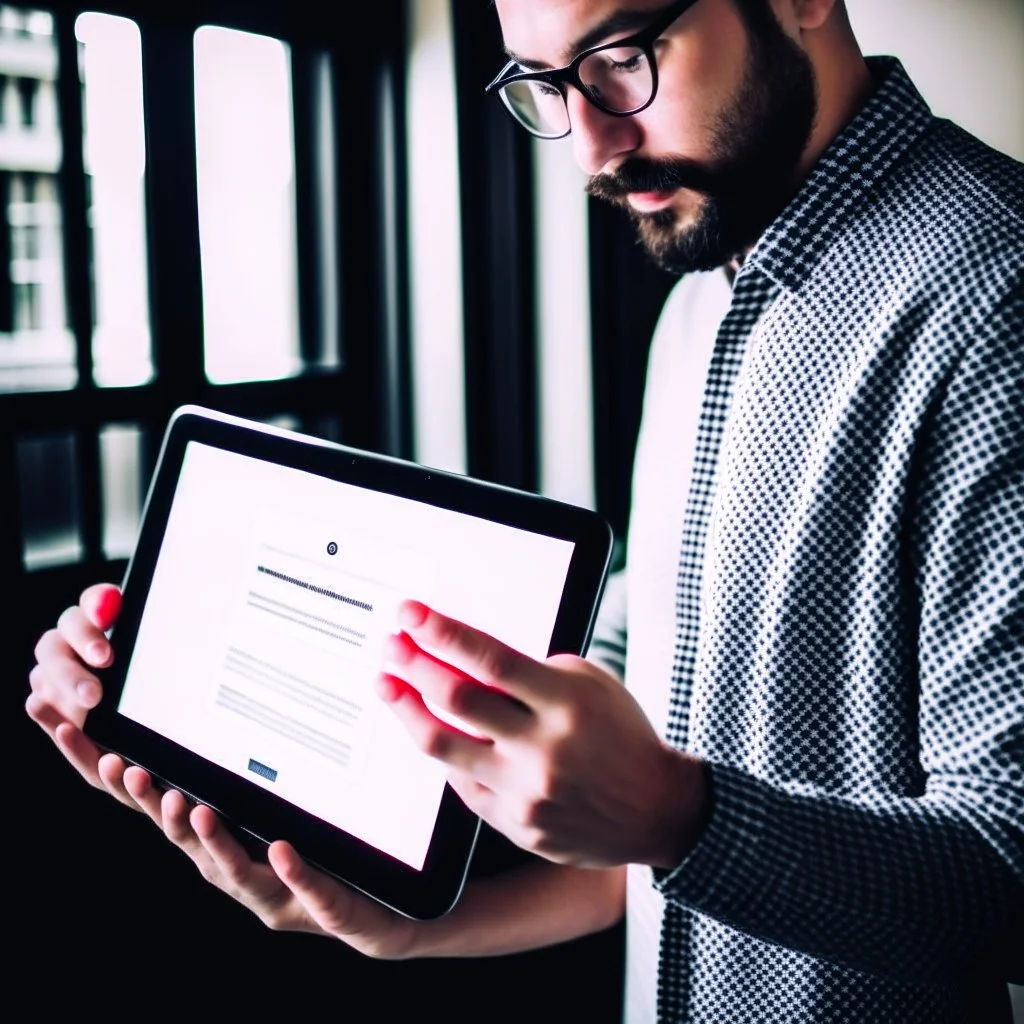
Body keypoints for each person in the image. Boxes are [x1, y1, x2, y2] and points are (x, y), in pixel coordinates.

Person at [26, 1, 1023, 1021]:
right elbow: (651, 814)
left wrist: (681, 816)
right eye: (544, 84)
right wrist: (413, 924)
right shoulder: (701, 300)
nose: (590, 144)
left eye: (623, 57)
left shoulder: (1000, 293)